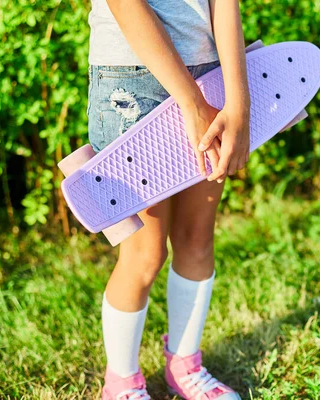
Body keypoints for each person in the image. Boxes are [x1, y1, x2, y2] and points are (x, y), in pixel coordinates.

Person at [87, 0, 250, 398]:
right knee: (145, 253)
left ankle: (185, 366)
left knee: (197, 237)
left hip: (210, 68)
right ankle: (121, 383)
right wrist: (191, 102)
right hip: (132, 76)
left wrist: (238, 103)